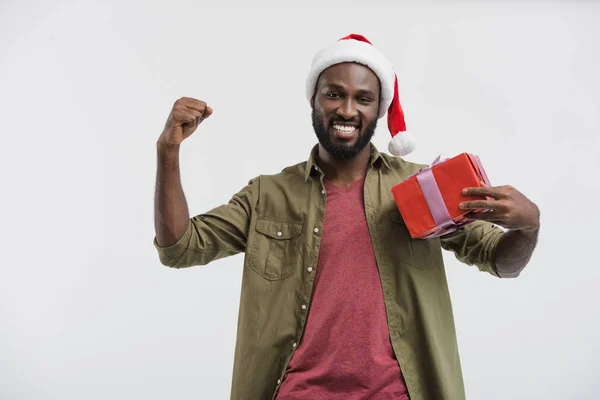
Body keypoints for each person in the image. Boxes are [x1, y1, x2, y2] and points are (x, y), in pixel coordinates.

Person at [153, 34, 540, 400]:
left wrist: (528, 224)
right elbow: (181, 248)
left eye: (363, 98)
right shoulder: (267, 195)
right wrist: (168, 152)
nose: (347, 110)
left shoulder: (421, 186)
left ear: (379, 108)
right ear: (313, 100)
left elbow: (500, 260)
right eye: (334, 94)